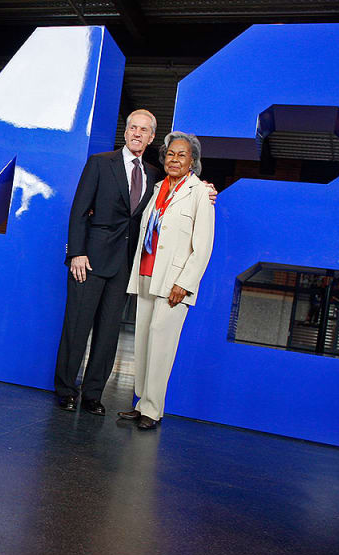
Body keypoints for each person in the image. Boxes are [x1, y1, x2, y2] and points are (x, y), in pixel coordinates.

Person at [54, 110, 217, 415]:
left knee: (108, 335)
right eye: (133, 128)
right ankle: (66, 390)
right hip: (89, 261)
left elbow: (182, 189)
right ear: (126, 132)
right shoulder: (100, 163)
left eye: (144, 130)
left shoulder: (156, 175)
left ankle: (93, 394)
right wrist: (76, 252)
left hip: (126, 267)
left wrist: (206, 189)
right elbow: (79, 211)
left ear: (151, 137)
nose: (137, 133)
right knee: (76, 327)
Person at [120, 132, 215, 429]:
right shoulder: (158, 187)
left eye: (181, 155)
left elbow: (203, 246)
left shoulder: (200, 193)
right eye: (170, 154)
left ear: (193, 161)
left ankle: (153, 410)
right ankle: (141, 403)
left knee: (162, 345)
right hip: (147, 273)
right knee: (144, 342)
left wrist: (184, 283)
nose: (174, 159)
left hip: (174, 282)